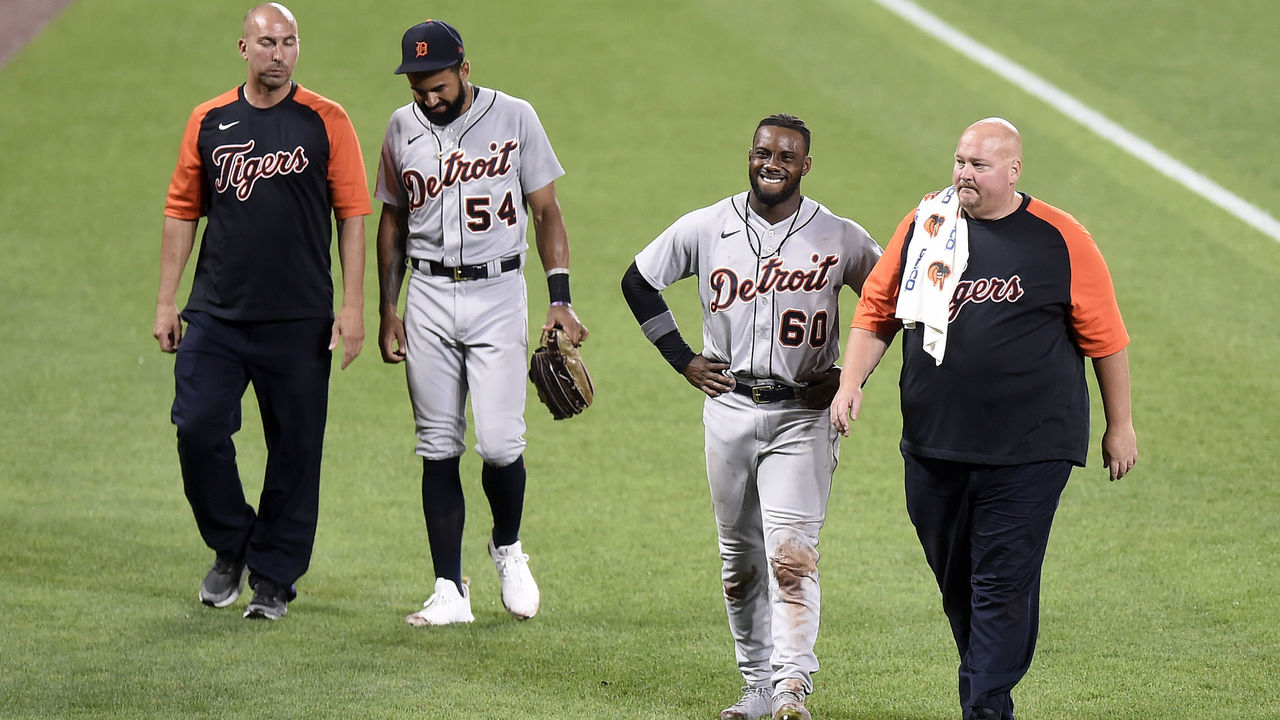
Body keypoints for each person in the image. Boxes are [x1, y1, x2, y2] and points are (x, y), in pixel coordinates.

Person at [830, 118, 1138, 720]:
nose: (965, 175)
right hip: (933, 443)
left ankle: (986, 707)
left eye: (980, 165)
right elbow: (878, 307)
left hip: (1030, 449)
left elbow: (1106, 338)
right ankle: (990, 690)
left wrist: (1119, 424)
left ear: (1013, 170)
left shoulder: (1060, 238)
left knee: (999, 583)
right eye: (960, 162)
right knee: (960, 584)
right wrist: (850, 382)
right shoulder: (927, 223)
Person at [622, 115, 882, 720]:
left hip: (801, 419)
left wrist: (850, 377)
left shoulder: (839, 236)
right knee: (739, 561)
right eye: (763, 153)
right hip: (730, 409)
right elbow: (638, 281)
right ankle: (757, 688)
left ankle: (792, 690)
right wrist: (681, 358)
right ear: (750, 155)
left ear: (805, 166)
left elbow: (886, 301)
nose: (772, 164)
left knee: (791, 554)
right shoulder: (709, 226)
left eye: (786, 156)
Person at [152, 3, 370, 621]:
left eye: (290, 42)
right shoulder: (210, 119)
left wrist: (352, 309)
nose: (279, 53)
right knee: (196, 427)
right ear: (243, 49)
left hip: (300, 320)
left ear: (298, 49)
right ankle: (232, 543)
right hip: (216, 316)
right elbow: (180, 211)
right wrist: (167, 301)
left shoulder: (327, 120)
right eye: (267, 42)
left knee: (296, 450)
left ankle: (273, 576)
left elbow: (353, 216)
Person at [374, 19, 588, 626]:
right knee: (437, 447)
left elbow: (546, 210)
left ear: (465, 70)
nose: (428, 97)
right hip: (429, 295)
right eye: (418, 88)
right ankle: (448, 589)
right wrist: (390, 309)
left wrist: (560, 297)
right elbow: (392, 220)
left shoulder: (516, 117)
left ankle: (508, 547)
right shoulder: (399, 127)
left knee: (499, 444)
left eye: (438, 85)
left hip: (498, 293)